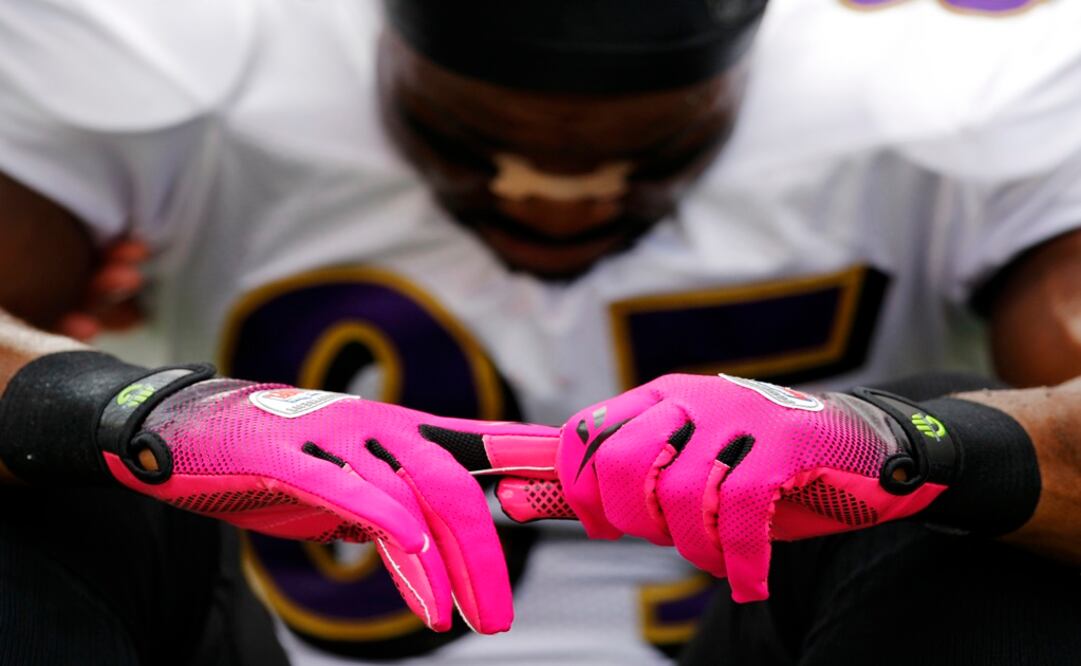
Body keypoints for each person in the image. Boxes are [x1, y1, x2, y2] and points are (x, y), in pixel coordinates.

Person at [1, 0, 1080, 664]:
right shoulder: (190, 60)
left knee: (975, 499)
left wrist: (903, 449)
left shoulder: (946, 101)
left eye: (649, 155)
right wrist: (137, 408)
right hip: (266, 644)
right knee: (56, 467)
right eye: (469, 141)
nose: (553, 198)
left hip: (782, 643)